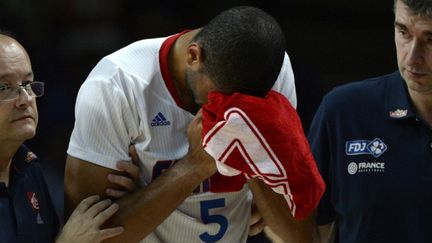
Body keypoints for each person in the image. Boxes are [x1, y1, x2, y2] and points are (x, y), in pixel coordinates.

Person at [65, 6, 324, 243]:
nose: (227, 109)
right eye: (221, 95)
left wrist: (250, 154)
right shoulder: (115, 84)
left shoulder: (272, 75)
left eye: (245, 107)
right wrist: (194, 167)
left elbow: (300, 236)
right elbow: (87, 236)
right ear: (193, 56)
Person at [308, 0, 432, 242]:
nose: (412, 57)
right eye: (403, 32)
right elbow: (307, 232)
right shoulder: (343, 113)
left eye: (431, 39)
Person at [0, 33, 139, 243]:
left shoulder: (29, 167)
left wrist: (124, 198)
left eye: (28, 83)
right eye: (4, 88)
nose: (26, 99)